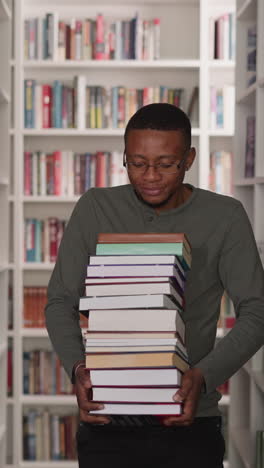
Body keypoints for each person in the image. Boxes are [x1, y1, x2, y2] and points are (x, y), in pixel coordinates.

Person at [45, 103, 264, 468]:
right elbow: (59, 301)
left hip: (191, 418)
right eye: (137, 163)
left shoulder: (225, 216)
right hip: (106, 417)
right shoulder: (95, 207)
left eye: (166, 164)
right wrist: (77, 370)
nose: (150, 176)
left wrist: (203, 377)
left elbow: (257, 310)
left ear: (189, 158)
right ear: (124, 157)